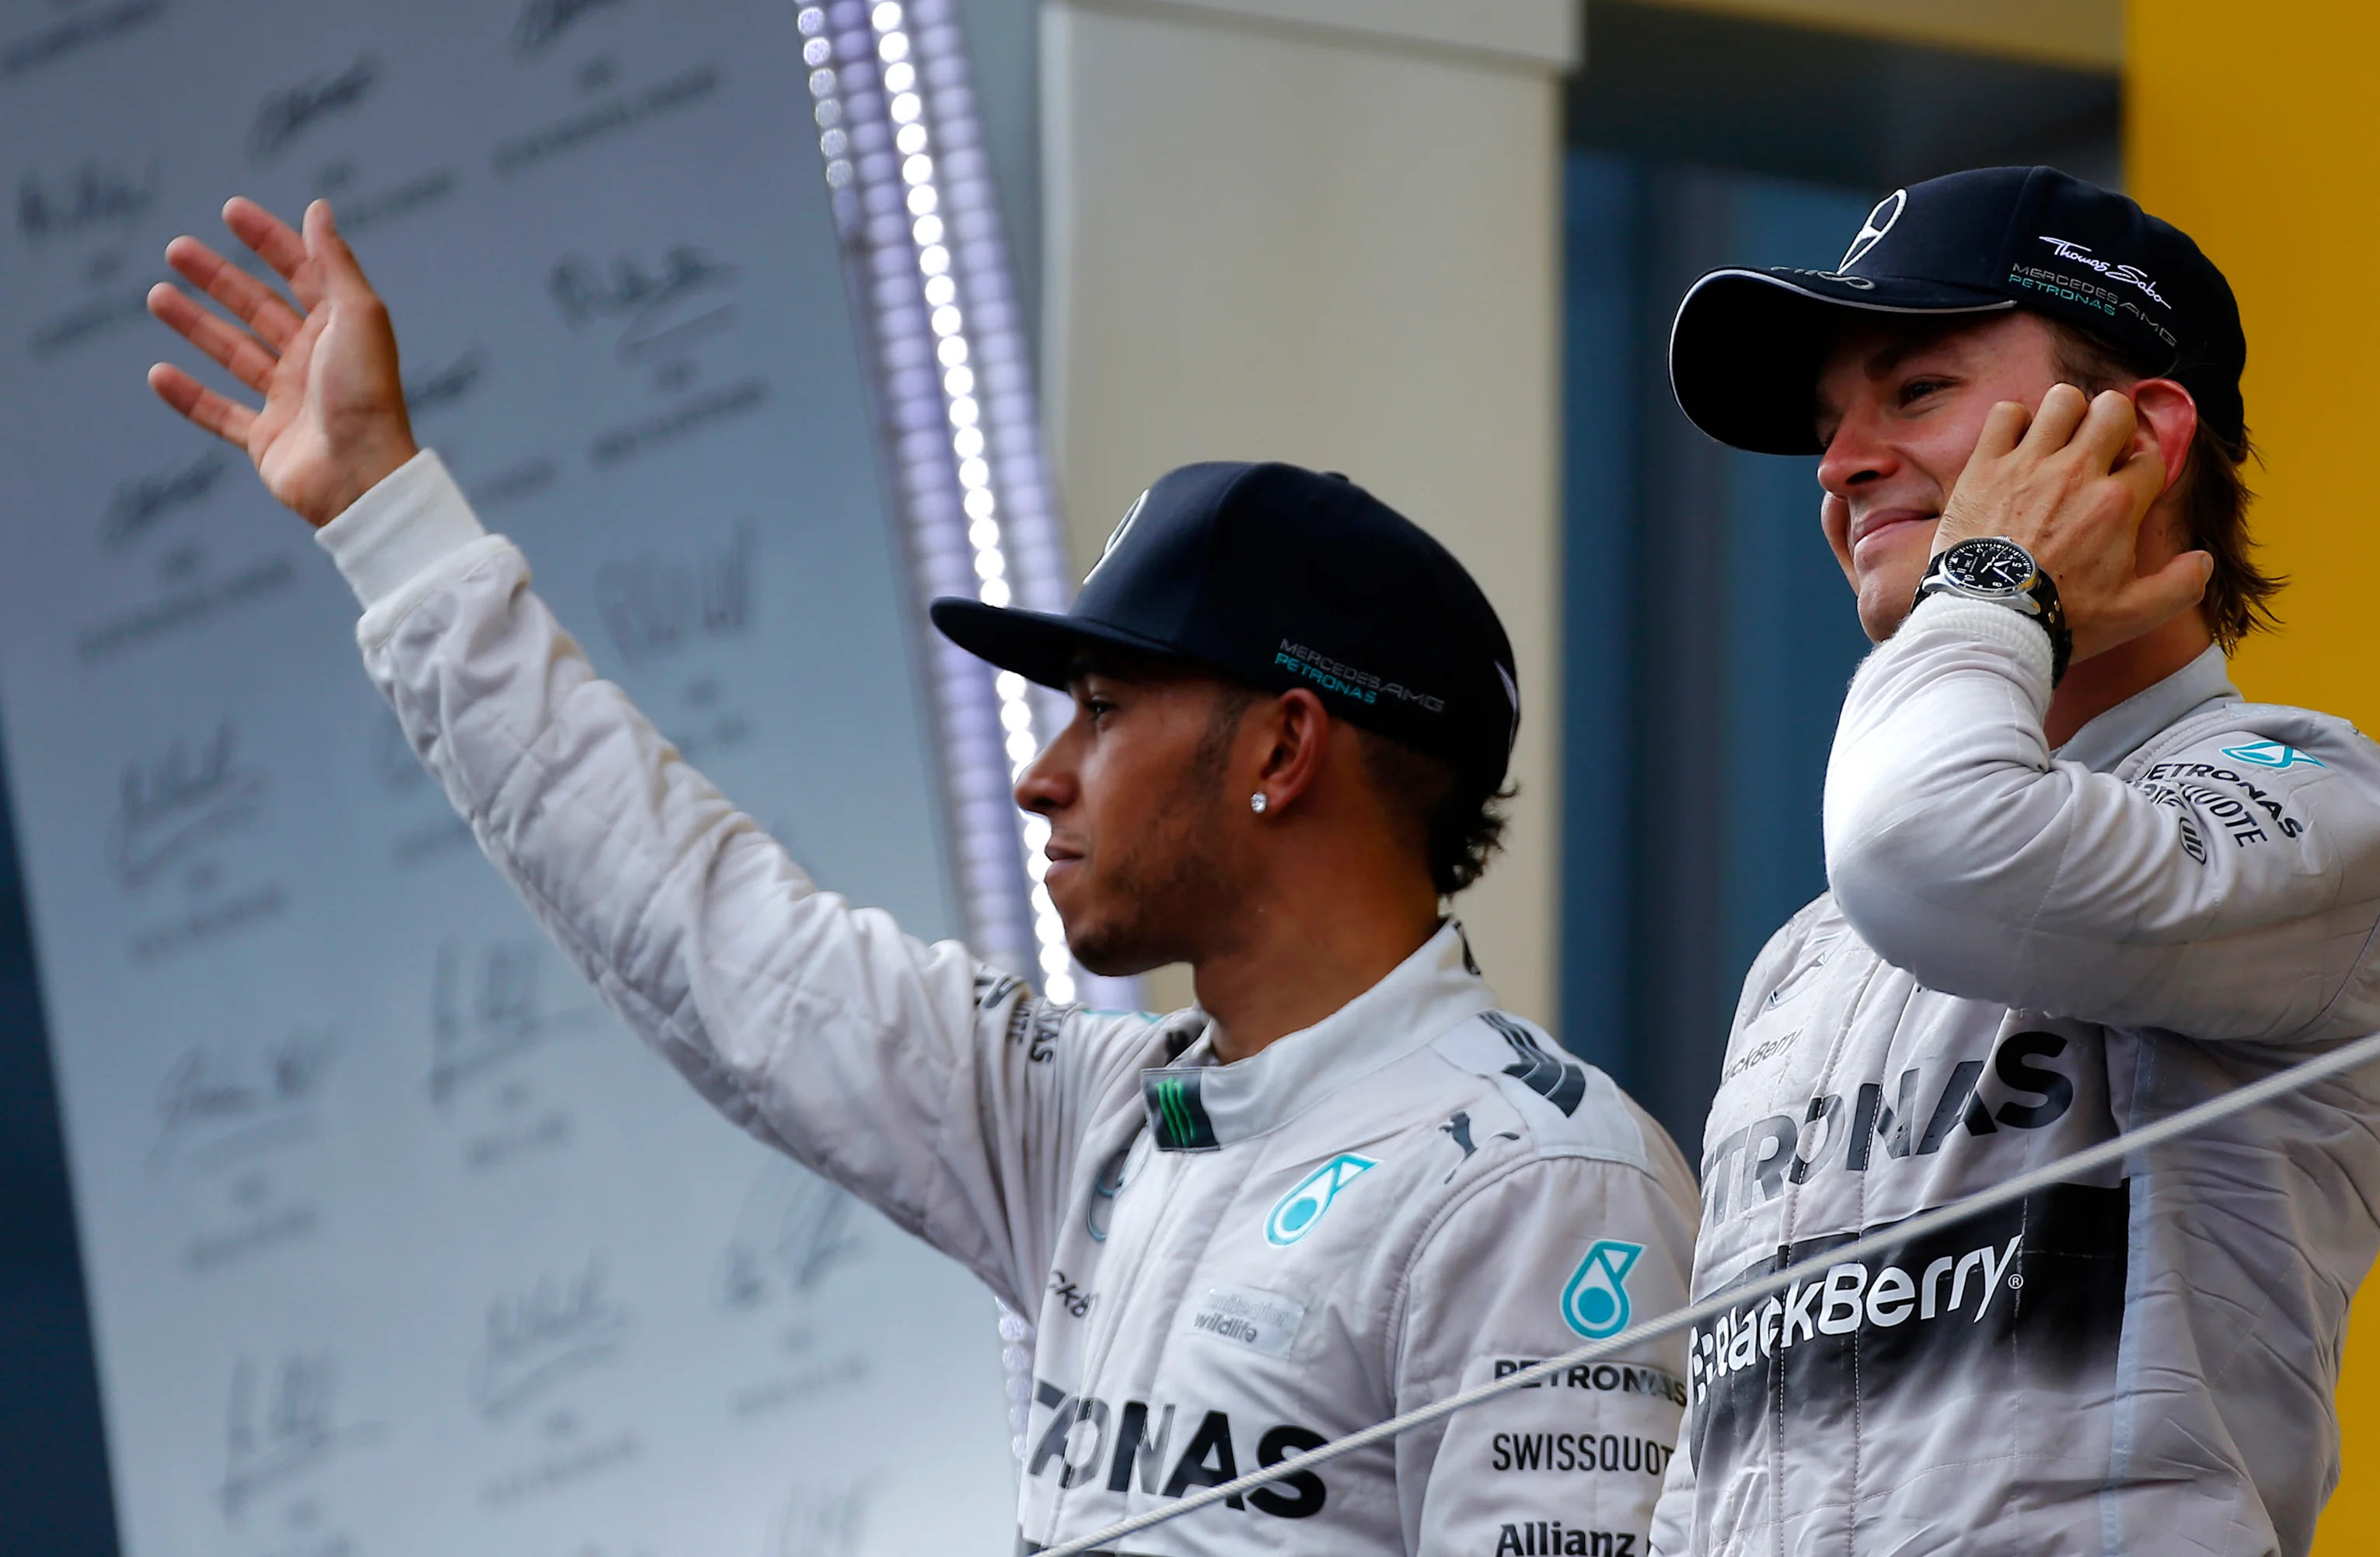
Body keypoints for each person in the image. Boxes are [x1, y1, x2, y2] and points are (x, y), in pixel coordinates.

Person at [144, 197, 1700, 1555]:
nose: (1039, 769)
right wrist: (388, 517)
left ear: (1283, 747)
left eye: (1100, 709)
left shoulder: (1541, 1178)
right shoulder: (1088, 1114)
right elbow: (708, 933)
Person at [1652, 166, 2380, 1555]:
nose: (1838, 467)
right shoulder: (1805, 954)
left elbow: (1932, 843)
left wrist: (1993, 584)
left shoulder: (2324, 798)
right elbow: (1715, 1459)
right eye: (1831, 425)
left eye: (1914, 395)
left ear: (2139, 436)